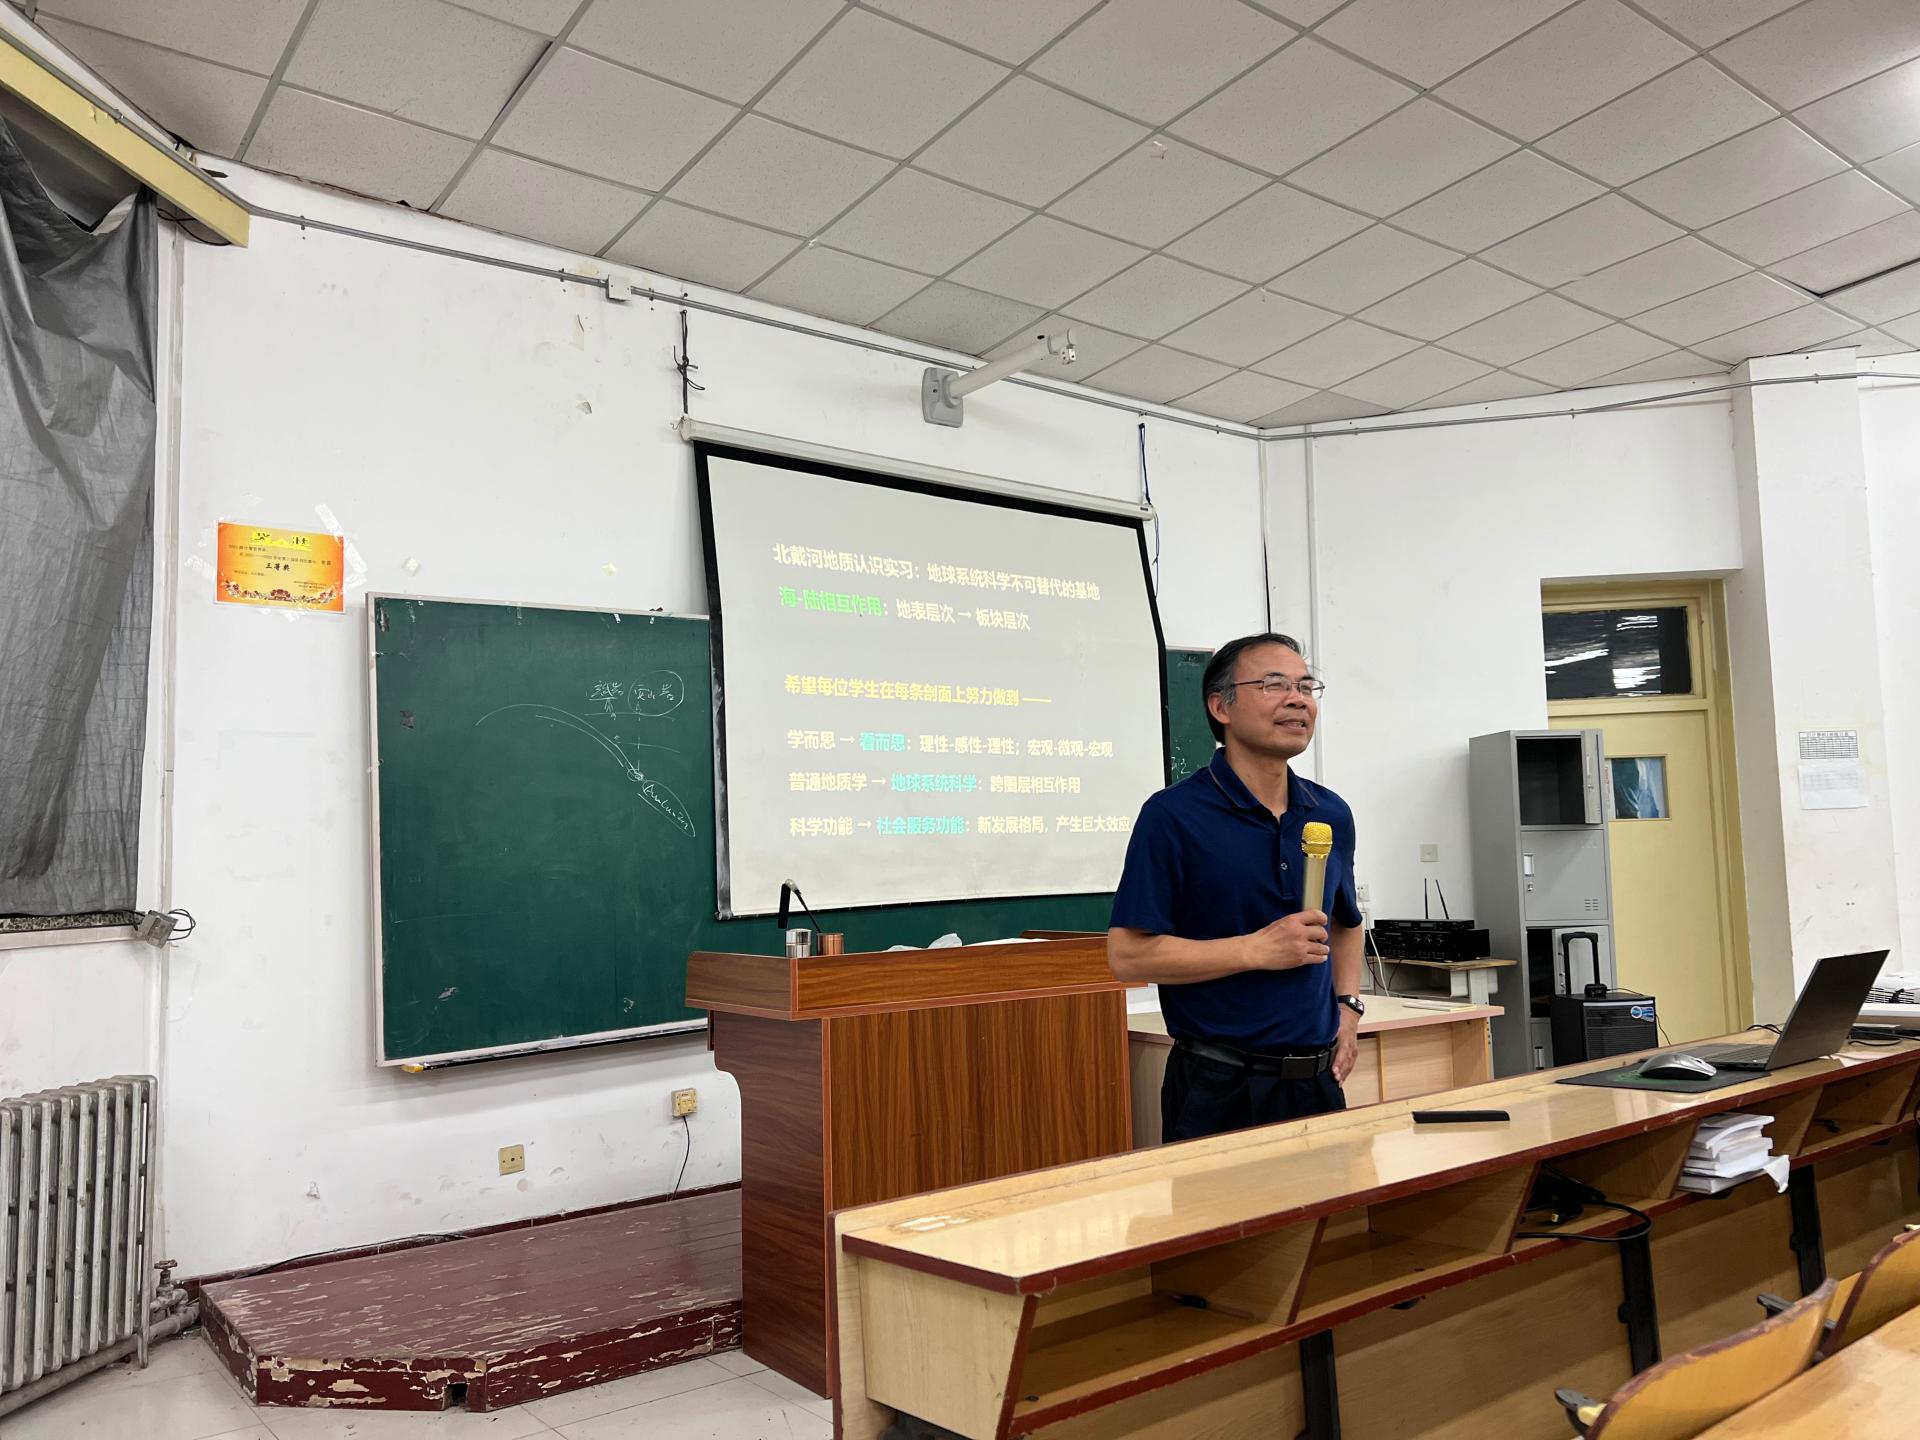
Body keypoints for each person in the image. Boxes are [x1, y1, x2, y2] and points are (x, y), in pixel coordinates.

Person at [1108, 632, 1364, 1143]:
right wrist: (1254, 950)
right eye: (1274, 684)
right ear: (1220, 706)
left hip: (1318, 1084)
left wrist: (1349, 1007)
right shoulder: (1173, 816)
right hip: (1218, 1085)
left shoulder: (1330, 812)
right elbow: (1128, 956)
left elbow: (1346, 923)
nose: (1297, 699)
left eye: (1306, 686)